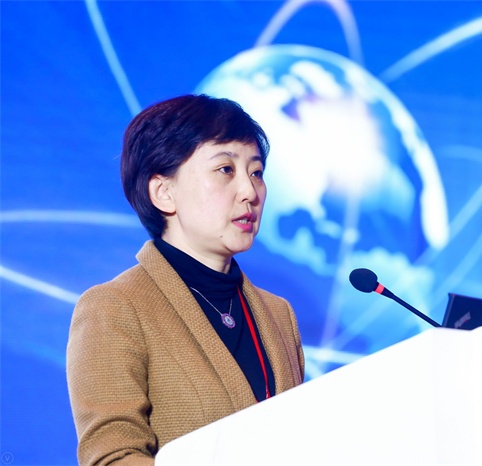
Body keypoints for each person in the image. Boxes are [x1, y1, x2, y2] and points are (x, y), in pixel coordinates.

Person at [66, 94, 305, 466]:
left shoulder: (279, 314)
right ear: (164, 192)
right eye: (225, 169)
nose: (250, 191)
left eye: (256, 172)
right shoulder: (113, 308)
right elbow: (112, 457)